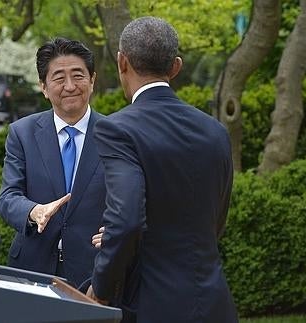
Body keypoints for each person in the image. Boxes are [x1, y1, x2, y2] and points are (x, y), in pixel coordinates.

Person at [86, 17, 239, 322]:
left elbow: (127, 219)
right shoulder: (215, 131)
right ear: (176, 67)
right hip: (213, 301)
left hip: (151, 302)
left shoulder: (117, 129)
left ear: (122, 62)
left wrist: (101, 289)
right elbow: (214, 222)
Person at [0, 37, 106, 288]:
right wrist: (34, 211)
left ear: (92, 80)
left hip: (94, 272)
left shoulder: (115, 135)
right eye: (58, 78)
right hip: (32, 268)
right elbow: (7, 197)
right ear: (44, 87)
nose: (70, 86)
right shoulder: (22, 133)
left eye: (78, 76)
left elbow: (131, 203)